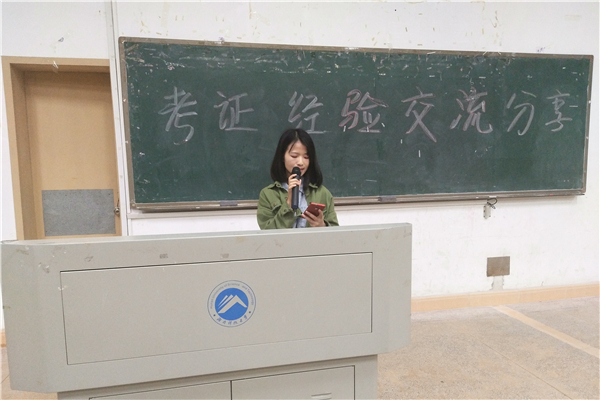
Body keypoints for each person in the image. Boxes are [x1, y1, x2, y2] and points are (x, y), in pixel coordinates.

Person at [257, 128, 338, 229]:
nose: (301, 162)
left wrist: (322, 225)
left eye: (306, 157)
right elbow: (267, 233)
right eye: (294, 156)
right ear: (282, 157)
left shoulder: (323, 194)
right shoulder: (268, 195)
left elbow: (336, 233)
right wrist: (288, 204)